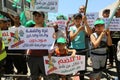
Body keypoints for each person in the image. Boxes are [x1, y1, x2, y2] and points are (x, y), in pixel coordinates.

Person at [69, 13, 92, 80]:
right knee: (73, 66)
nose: (77, 20)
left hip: (83, 49)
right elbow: (71, 38)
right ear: (74, 20)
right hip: (74, 49)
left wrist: (86, 23)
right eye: (76, 18)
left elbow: (90, 33)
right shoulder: (72, 28)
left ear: (81, 19)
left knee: (82, 67)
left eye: (79, 18)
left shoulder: (84, 27)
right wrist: (78, 30)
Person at [27, 11, 49, 80]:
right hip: (32, 57)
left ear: (43, 18)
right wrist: (27, 51)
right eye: (35, 15)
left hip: (44, 57)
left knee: (46, 76)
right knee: (34, 77)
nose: (37, 17)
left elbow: (51, 44)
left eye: (39, 16)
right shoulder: (29, 30)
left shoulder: (48, 30)